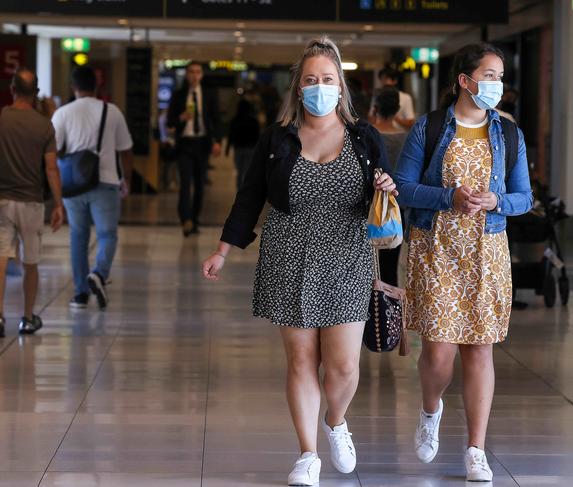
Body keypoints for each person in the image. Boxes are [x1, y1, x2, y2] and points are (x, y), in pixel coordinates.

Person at [201, 36, 396, 487]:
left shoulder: (364, 138)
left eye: (327, 79)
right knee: (301, 362)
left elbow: (384, 197)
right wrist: (223, 250)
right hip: (288, 255)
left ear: (341, 87)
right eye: (311, 80)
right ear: (298, 87)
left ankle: (337, 421)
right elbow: (250, 197)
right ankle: (308, 453)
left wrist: (385, 185)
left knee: (344, 365)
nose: (319, 87)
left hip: (347, 256)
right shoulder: (277, 139)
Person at [395, 43, 533, 482]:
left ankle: (476, 448)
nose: (496, 84)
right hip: (436, 247)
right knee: (438, 351)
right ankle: (430, 409)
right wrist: (448, 197)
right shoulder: (430, 128)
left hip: (487, 251)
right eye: (489, 75)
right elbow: (402, 186)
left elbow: (524, 197)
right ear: (465, 81)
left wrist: (497, 200)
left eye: (499, 77)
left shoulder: (508, 133)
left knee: (479, 349)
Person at [52, 66, 133, 310]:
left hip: (73, 186)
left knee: (78, 236)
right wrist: (126, 179)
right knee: (107, 234)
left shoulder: (62, 113)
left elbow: (53, 150)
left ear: (72, 87)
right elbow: (126, 150)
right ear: (96, 86)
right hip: (106, 182)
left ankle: (80, 294)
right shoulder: (112, 111)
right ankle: (99, 273)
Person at [0, 68, 64, 336]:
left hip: (2, 200)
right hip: (32, 202)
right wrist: (58, 204)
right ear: (36, 93)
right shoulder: (44, 125)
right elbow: (51, 168)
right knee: (31, 261)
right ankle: (27, 317)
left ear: (12, 89)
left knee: (1, 258)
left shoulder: (1, 117)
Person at [167, 61, 223, 236]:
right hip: (185, 143)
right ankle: (186, 220)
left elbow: (217, 120)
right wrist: (181, 118)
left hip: (202, 143)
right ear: (186, 74)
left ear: (202, 75)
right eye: (191, 72)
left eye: (198, 72)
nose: (194, 75)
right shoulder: (178, 95)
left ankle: (195, 218)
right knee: (185, 183)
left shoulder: (208, 94)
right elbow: (170, 122)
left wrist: (217, 141)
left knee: (199, 185)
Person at [371, 87, 407, 286]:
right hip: (395, 210)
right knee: (389, 267)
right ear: (397, 110)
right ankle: (388, 311)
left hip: (368, 210)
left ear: (375, 108)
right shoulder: (406, 138)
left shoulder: (366, 136)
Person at [226, 99, 260, 190]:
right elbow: (258, 137)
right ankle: (245, 191)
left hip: (238, 148)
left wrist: (227, 149)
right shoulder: (254, 121)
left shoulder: (235, 120)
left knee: (239, 171)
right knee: (247, 171)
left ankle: (239, 190)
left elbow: (230, 135)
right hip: (250, 149)